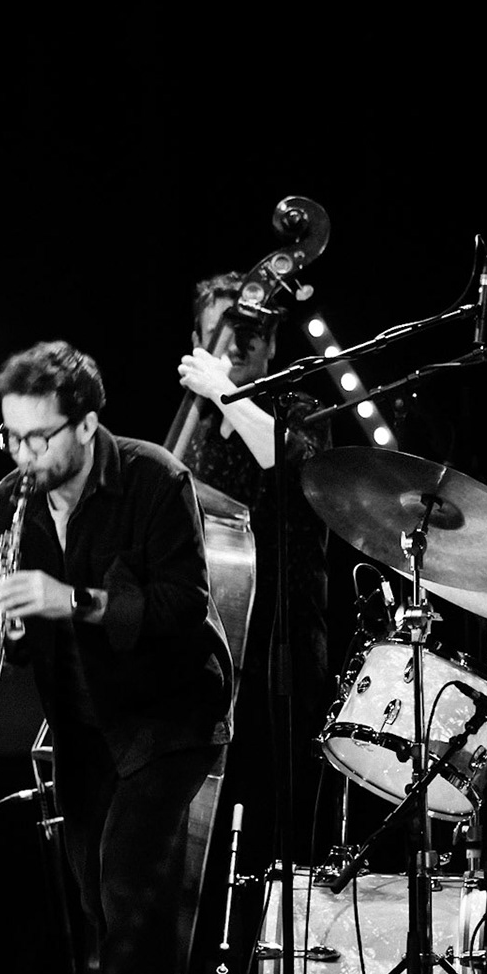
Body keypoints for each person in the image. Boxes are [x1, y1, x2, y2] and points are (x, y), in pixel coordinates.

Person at [0, 340, 232, 974]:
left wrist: (70, 598)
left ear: (84, 424)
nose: (23, 455)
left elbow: (181, 607)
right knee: (97, 904)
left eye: (38, 437)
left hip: (170, 713)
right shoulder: (6, 502)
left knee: (125, 882)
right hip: (82, 720)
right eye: (10, 436)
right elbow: (14, 628)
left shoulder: (154, 479)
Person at [174, 273, 333, 845]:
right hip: (205, 659)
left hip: (278, 653)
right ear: (198, 335)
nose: (238, 342)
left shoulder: (297, 409)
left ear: (272, 346)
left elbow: (298, 467)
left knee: (274, 833)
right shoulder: (188, 436)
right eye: (224, 327)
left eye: (254, 330)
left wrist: (223, 392)